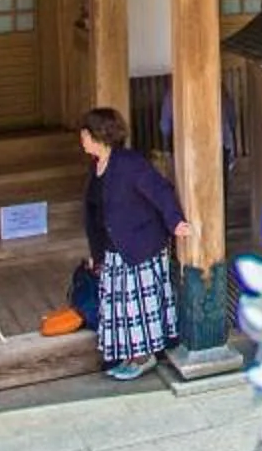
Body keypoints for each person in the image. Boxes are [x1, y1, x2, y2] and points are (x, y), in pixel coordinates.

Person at [78, 106, 190, 381]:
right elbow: (94, 214)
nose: (81, 138)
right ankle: (129, 354)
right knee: (120, 307)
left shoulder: (129, 163)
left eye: (85, 133)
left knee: (138, 306)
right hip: (115, 249)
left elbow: (159, 190)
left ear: (98, 135)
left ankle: (145, 356)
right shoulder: (97, 167)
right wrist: (96, 254)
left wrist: (175, 221)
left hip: (140, 245)